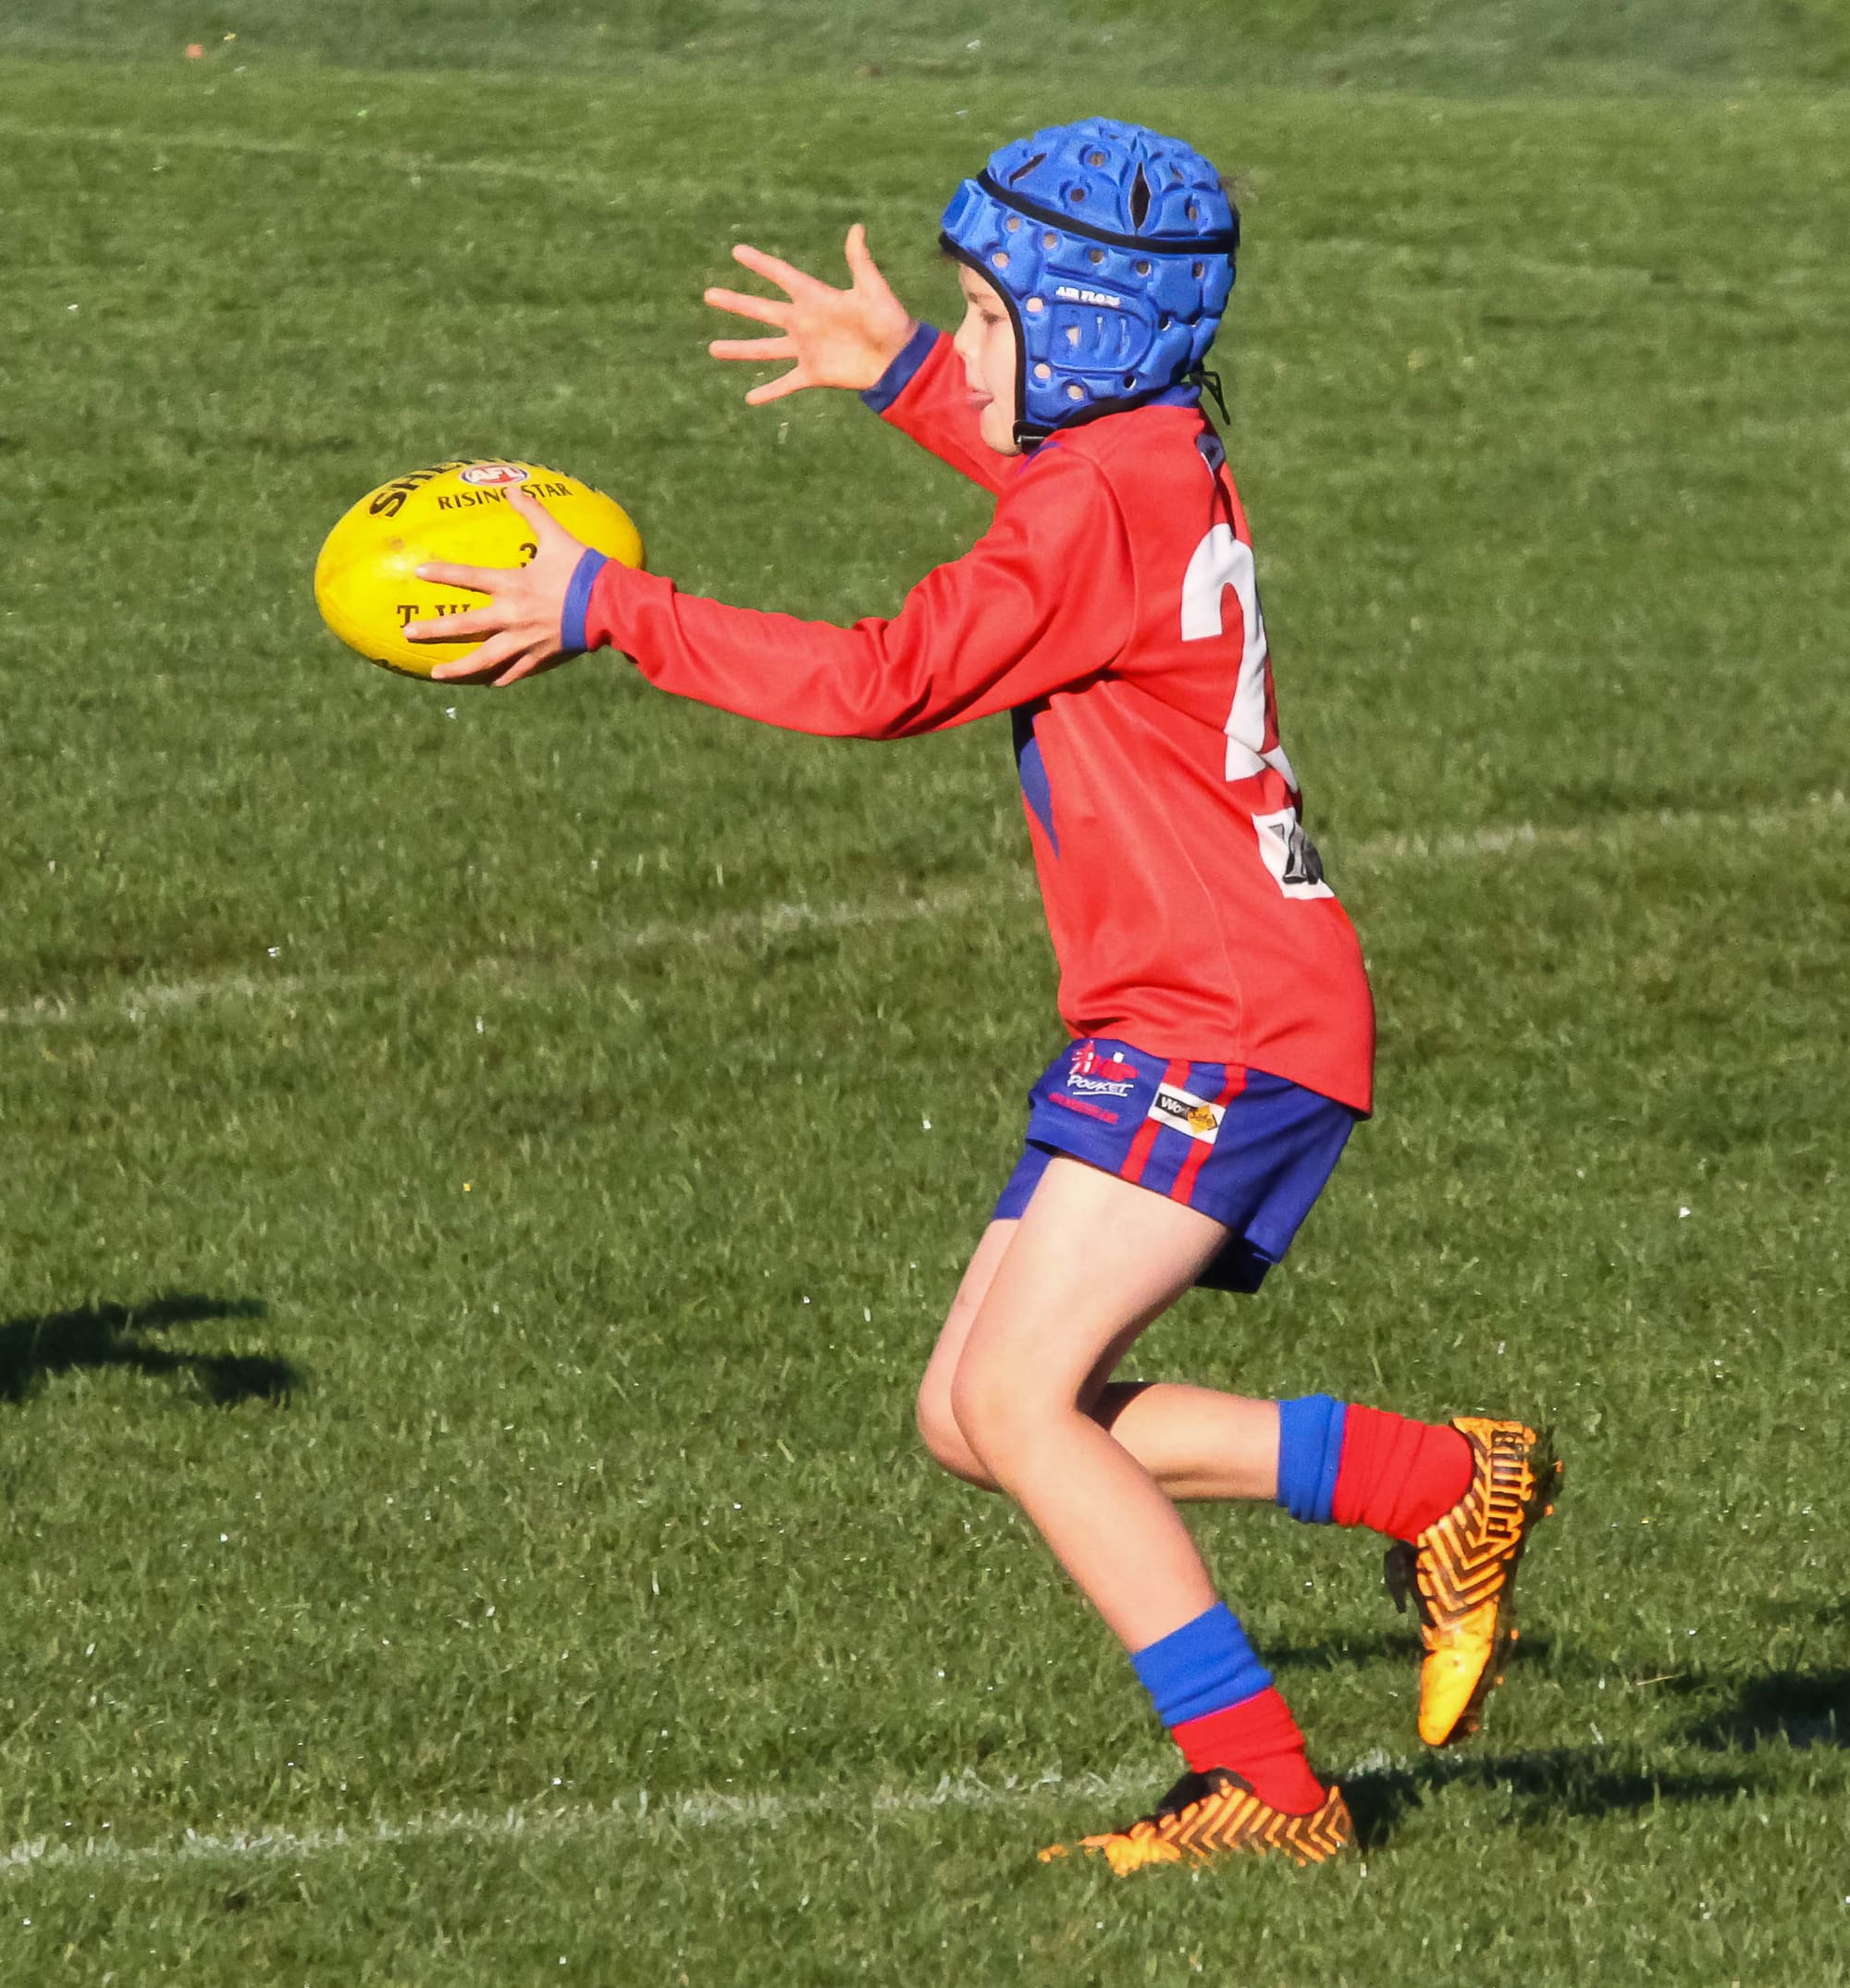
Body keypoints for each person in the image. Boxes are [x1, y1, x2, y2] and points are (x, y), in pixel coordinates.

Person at [406, 117, 1560, 1876]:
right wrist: (910, 378)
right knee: (974, 1414)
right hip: (1179, 1007)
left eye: (989, 318)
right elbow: (1049, 497)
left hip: (1221, 1018)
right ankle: (1434, 1481)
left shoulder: (1097, 499)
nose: (970, 342)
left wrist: (611, 606)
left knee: (1024, 1399)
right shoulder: (1143, 449)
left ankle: (1265, 1788)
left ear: (1084, 335)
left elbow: (884, 678)